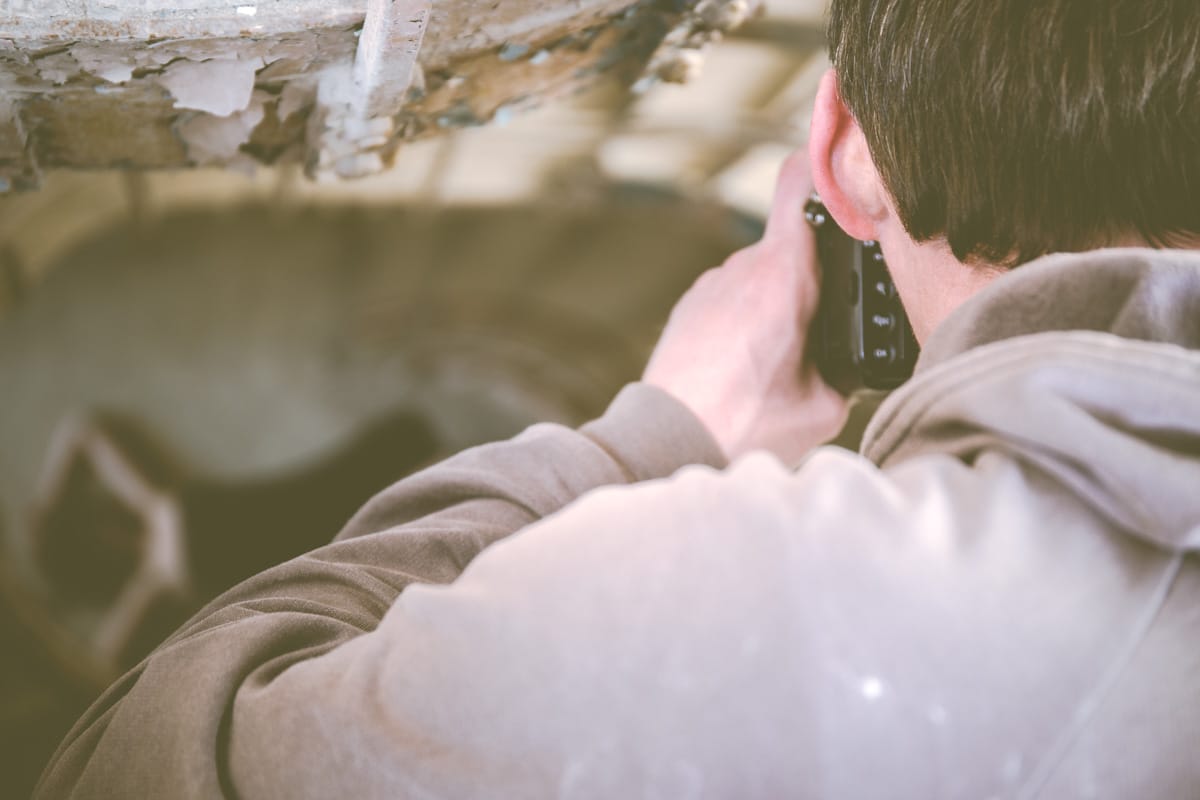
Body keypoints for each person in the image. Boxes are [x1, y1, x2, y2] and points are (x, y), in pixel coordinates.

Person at [37, 0, 1200, 796]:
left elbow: (120, 766)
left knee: (447, 407)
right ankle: (186, 526)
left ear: (843, 148)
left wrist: (652, 434)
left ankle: (184, 537)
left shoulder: (737, 598)